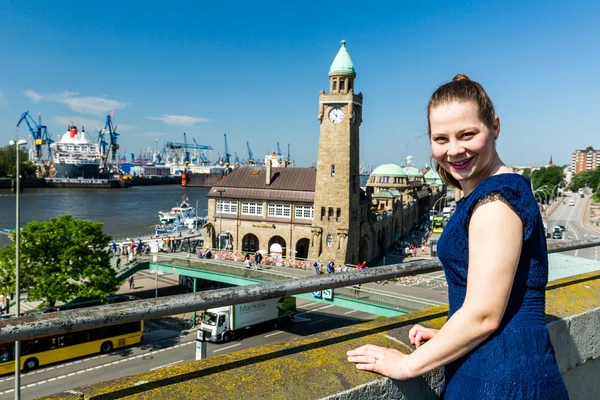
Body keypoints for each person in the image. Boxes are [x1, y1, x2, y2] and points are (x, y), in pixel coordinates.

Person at [347, 74, 568, 399]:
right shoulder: (500, 188)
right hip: (495, 364)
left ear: (494, 126)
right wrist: (449, 334)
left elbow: (483, 316)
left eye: (467, 135)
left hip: (501, 381)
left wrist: (408, 365)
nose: (454, 150)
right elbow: (493, 301)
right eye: (441, 139)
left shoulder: (495, 203)